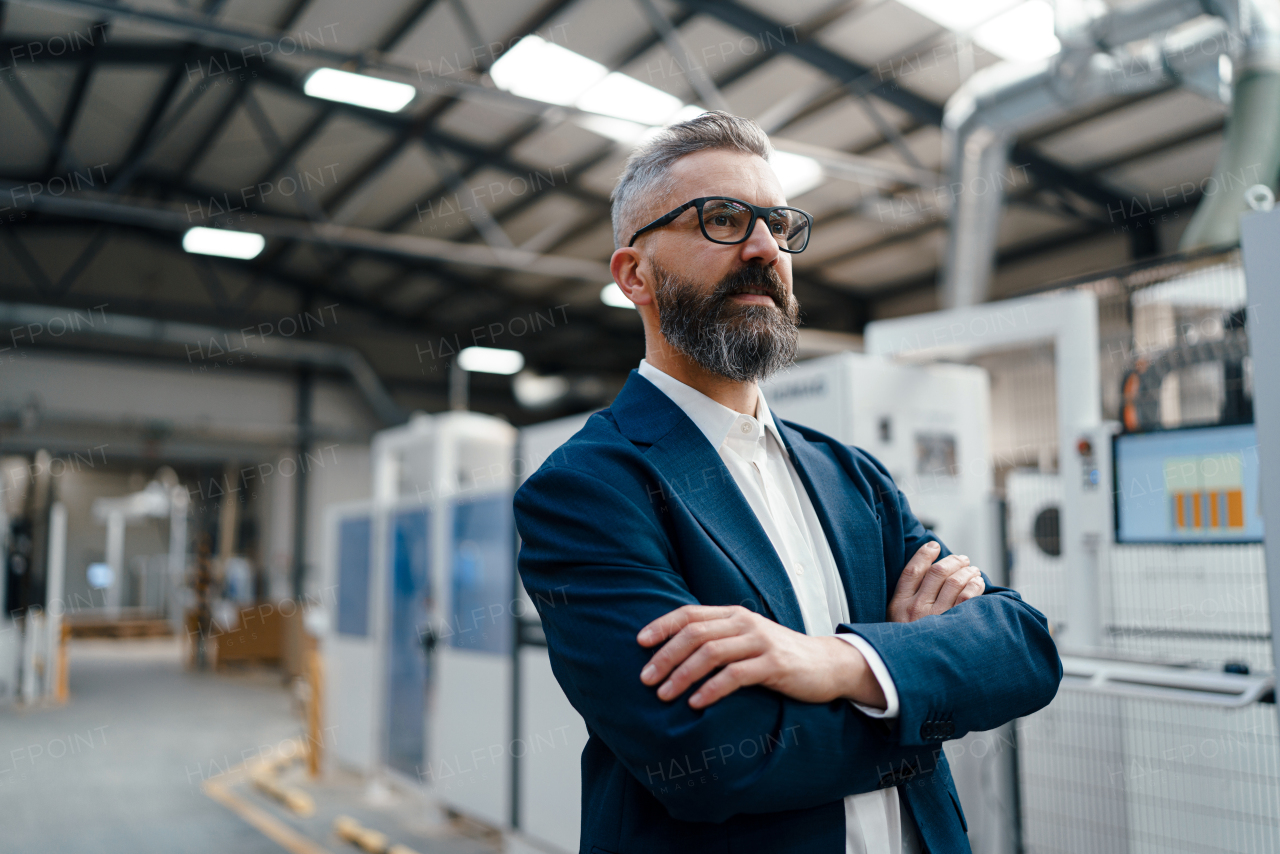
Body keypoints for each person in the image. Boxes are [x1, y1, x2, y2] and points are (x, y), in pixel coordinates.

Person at [513, 111, 1061, 854]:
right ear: (634, 275)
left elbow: (1023, 649)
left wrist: (839, 663)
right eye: (722, 219)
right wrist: (916, 695)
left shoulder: (849, 475)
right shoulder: (587, 488)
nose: (765, 247)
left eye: (777, 224)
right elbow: (708, 759)